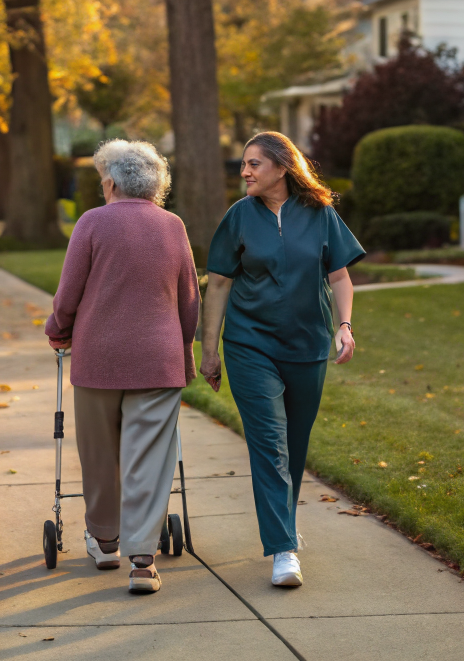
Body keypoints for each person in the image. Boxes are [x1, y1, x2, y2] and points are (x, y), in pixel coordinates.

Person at [199, 131, 362, 588]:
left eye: (254, 164)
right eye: (244, 166)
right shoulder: (238, 217)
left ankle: (284, 529)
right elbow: (219, 284)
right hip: (251, 345)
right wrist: (209, 351)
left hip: (307, 346)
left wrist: (344, 326)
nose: (245, 172)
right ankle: (283, 549)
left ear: (282, 167)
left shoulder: (320, 214)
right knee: (270, 444)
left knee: (294, 444)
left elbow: (341, 276)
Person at [45, 139, 199, 594]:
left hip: (99, 360)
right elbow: (189, 300)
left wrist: (58, 327)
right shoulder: (173, 226)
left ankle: (106, 540)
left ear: (111, 182)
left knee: (99, 455)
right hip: (159, 360)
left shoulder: (92, 223)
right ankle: (143, 561)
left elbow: (69, 293)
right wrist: (184, 347)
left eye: (100, 179)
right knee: (149, 458)